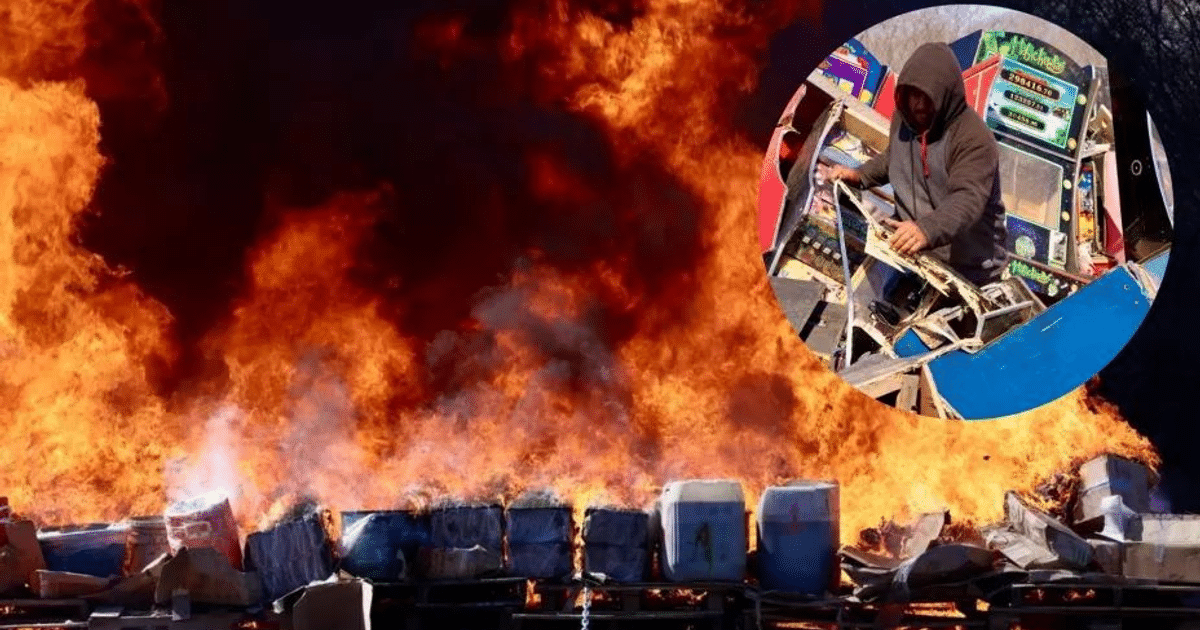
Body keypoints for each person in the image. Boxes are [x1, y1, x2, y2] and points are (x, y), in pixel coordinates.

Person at [826, 42, 1008, 286]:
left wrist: (926, 229)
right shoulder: (905, 119)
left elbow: (967, 199)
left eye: (927, 97)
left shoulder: (973, 137)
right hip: (917, 255)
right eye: (913, 95)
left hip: (971, 268)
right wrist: (859, 175)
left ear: (945, 94)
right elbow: (895, 157)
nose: (919, 105)